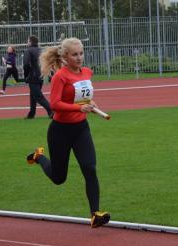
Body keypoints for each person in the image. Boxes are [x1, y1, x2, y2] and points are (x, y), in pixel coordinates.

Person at [26, 37, 110, 228]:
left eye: (81, 53)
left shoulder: (87, 73)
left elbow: (84, 98)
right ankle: (38, 157)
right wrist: (78, 108)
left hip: (81, 129)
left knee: (89, 168)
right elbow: (54, 104)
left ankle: (95, 214)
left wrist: (91, 104)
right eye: (75, 54)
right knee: (58, 178)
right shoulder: (60, 76)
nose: (79, 57)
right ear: (65, 56)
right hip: (60, 132)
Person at [23, 35, 53, 119]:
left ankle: (51, 111)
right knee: (33, 95)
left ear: (30, 42)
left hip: (33, 76)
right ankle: (31, 114)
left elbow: (26, 64)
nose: (27, 42)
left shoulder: (28, 51)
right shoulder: (41, 50)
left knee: (38, 96)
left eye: (28, 41)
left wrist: (26, 75)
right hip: (41, 76)